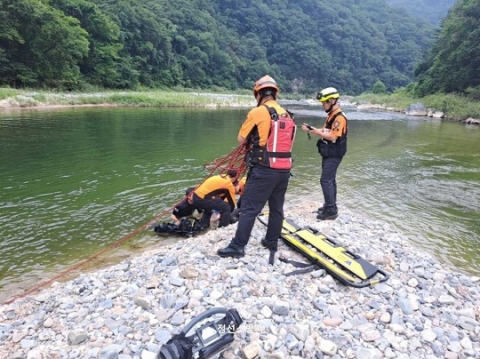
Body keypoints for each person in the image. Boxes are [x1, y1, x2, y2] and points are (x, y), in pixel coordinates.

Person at [217, 75, 296, 259]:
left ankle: (238, 246)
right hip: (284, 170)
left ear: (258, 94)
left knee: (249, 209)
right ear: (275, 93)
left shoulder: (258, 112)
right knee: (277, 207)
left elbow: (241, 139)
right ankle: (271, 241)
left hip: (263, 169)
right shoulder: (287, 115)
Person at [301, 87, 348, 220]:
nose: (323, 106)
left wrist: (315, 132)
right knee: (330, 179)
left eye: (324, 103)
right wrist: (313, 129)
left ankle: (331, 210)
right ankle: (330, 205)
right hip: (329, 153)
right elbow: (326, 130)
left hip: (334, 153)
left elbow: (333, 137)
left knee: (325, 180)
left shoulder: (339, 118)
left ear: (332, 101)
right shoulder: (331, 116)